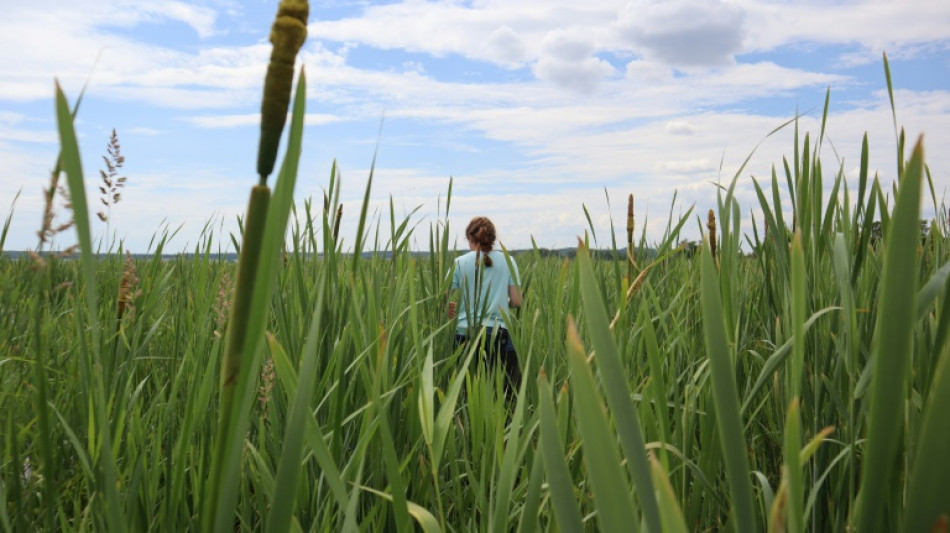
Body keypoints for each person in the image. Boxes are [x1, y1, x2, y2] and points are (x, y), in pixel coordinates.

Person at [448, 216, 523, 398]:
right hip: (499, 335)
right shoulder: (508, 261)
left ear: (470, 238)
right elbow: (517, 301)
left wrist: (450, 307)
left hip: (465, 335)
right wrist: (500, 302)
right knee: (504, 395)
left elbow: (440, 299)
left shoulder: (459, 263)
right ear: (492, 238)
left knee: (467, 394)